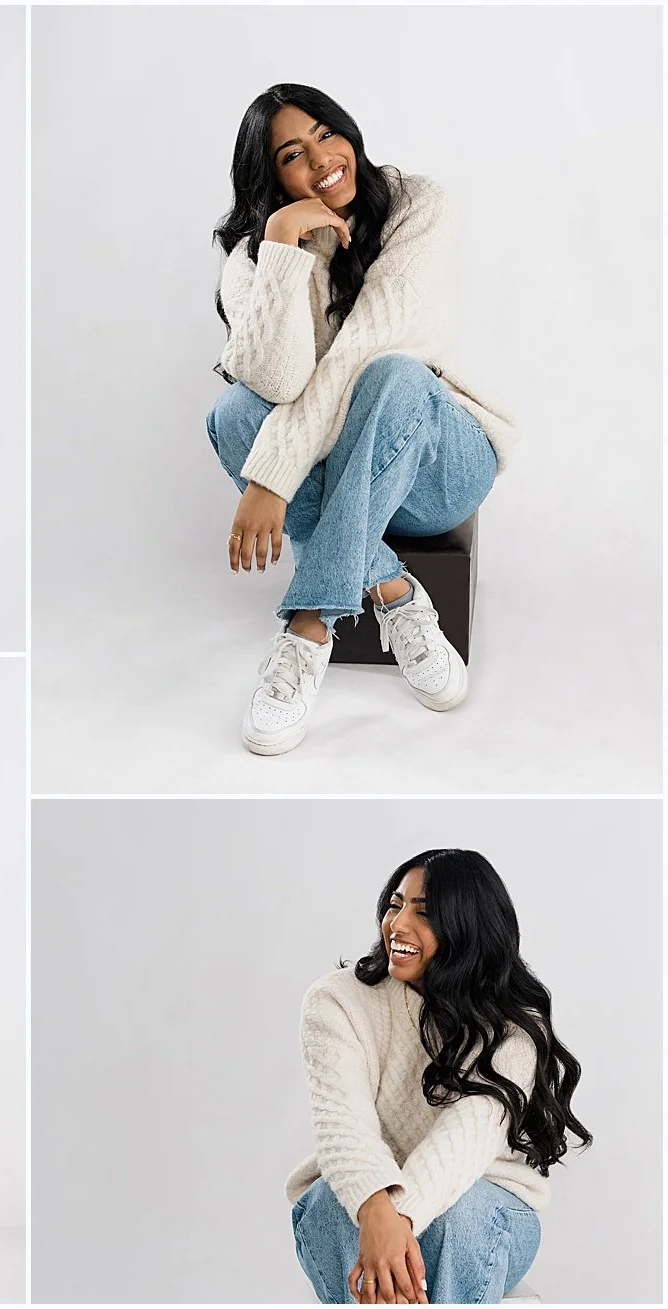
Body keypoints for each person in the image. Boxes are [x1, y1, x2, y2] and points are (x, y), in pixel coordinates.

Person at [207, 84, 515, 754]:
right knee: (232, 414)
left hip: (438, 462)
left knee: (390, 375)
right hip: (347, 471)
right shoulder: (253, 259)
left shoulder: (419, 205)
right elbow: (277, 381)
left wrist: (271, 476)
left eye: (325, 132)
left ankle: (311, 624)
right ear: (272, 179)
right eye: (293, 153)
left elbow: (363, 355)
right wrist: (288, 251)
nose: (321, 159)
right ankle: (396, 592)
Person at [288, 850, 589, 1303]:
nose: (398, 924)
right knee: (333, 1202)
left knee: (458, 1217)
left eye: (423, 913)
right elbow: (342, 1123)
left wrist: (399, 1221)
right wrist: (375, 1211)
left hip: (483, 1204)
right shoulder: (337, 1000)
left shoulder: (513, 1026)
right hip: (367, 1207)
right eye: (395, 904)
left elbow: (463, 1144)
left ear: (468, 927)